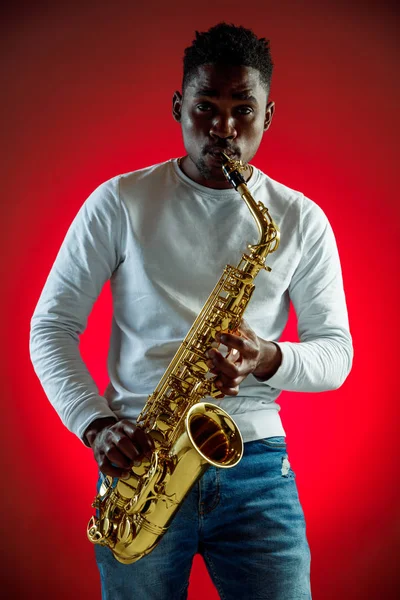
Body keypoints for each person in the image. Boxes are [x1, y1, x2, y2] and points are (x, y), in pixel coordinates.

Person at [30, 22, 353, 600]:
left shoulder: (300, 219)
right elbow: (51, 326)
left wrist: (266, 358)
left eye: (242, 111)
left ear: (268, 116)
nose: (223, 129)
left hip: (254, 461)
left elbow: (337, 354)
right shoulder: (120, 202)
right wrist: (95, 423)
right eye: (205, 107)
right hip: (140, 457)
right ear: (179, 107)